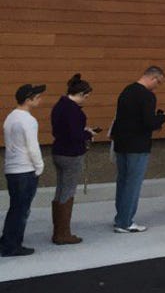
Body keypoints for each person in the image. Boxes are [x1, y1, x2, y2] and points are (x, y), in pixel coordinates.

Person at [110, 66, 165, 233]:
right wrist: (164, 117)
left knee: (122, 181)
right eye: (158, 82)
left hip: (121, 143)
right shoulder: (147, 96)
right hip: (138, 145)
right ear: (153, 78)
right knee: (133, 184)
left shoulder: (126, 91)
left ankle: (120, 217)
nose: (157, 86)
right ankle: (126, 222)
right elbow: (149, 122)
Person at [50, 74, 96, 245]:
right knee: (68, 191)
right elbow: (76, 135)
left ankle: (58, 229)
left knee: (60, 190)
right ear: (82, 94)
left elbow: (61, 131)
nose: (86, 100)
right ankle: (63, 233)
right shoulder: (74, 110)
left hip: (58, 151)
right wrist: (88, 134)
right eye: (87, 96)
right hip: (71, 155)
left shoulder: (59, 106)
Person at [2, 84, 46, 257]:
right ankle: (12, 246)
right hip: (25, 169)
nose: (40, 99)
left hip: (12, 168)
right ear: (29, 100)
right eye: (37, 97)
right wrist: (39, 166)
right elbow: (33, 146)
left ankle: (7, 240)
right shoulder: (28, 120)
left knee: (15, 208)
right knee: (22, 210)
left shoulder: (11, 117)